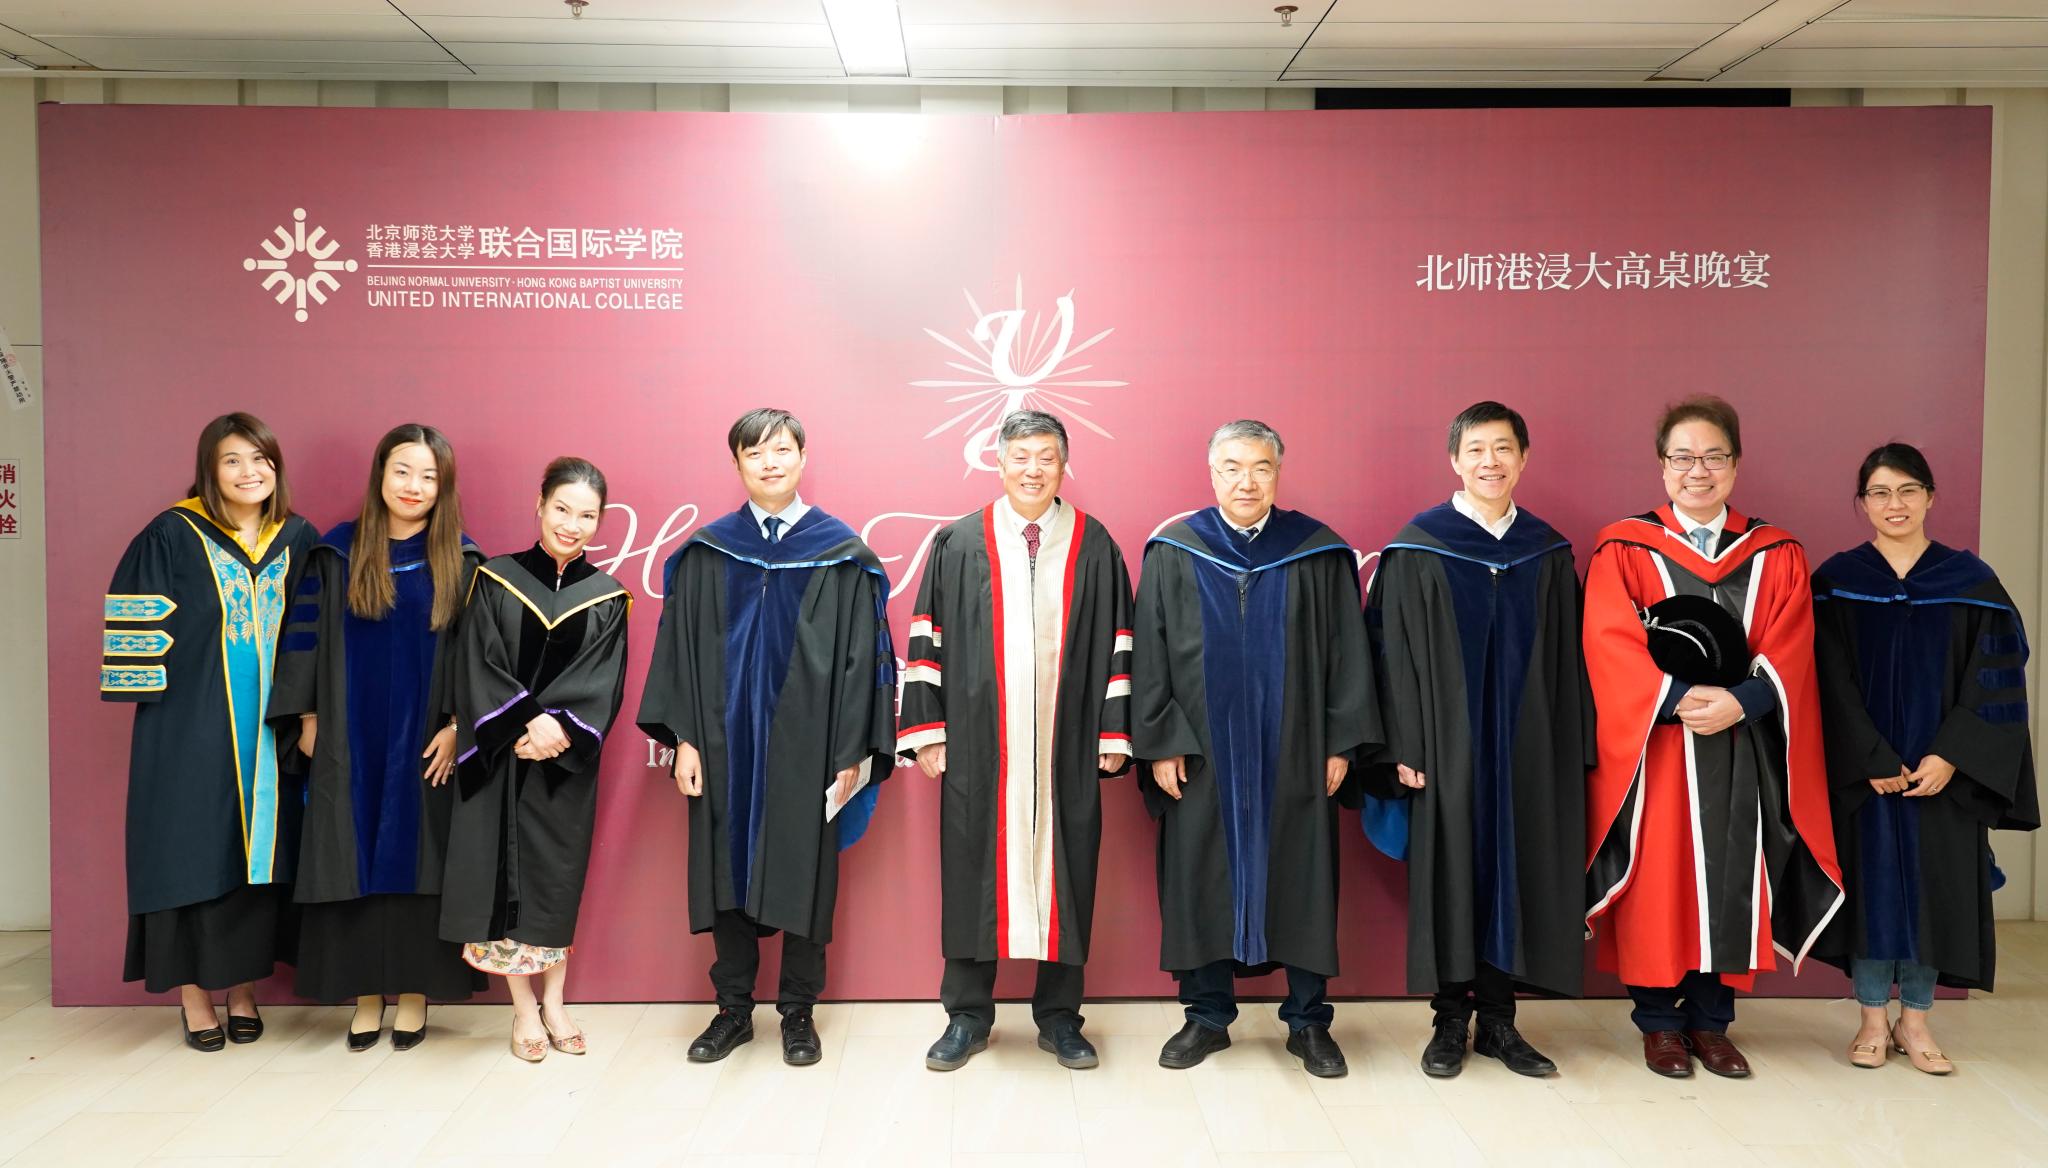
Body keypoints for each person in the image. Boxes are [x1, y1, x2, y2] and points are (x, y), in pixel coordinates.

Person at [1582, 395, 1843, 1079]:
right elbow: (1607, 641)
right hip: (1659, 746)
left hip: (1739, 743)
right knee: (1657, 877)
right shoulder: (1624, 547)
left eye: (1713, 457)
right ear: (1662, 466)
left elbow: (1792, 643)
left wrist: (1743, 700)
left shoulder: (1777, 552)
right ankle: (1659, 1025)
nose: (1698, 470)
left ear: (1736, 464)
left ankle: (1711, 1022)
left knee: (1732, 874)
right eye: (1683, 457)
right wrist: (1673, 698)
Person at [638, 408, 897, 1067]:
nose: (770, 462)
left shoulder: (841, 555)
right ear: (737, 465)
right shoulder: (708, 553)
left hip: (812, 750)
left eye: (781, 450)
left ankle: (798, 1012)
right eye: (755, 453)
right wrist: (685, 739)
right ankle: (732, 1009)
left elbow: (864, 661)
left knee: (806, 871)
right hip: (722, 747)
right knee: (725, 869)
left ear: (803, 457)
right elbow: (680, 654)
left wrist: (852, 750)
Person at [1132, 419, 1381, 1079]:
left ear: (1278, 473)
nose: (1247, 481)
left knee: (1303, 874)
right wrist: (1160, 740)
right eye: (1233, 467)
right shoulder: (1175, 550)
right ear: (1212, 473)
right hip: (1200, 751)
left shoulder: (1317, 552)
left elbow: (1347, 654)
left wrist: (1339, 741)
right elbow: (1151, 650)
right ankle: (1207, 1017)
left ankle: (1308, 1021)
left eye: (1261, 467)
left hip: (1296, 749)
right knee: (1199, 875)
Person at [898, 410, 1134, 1072]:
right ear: (998, 463)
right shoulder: (958, 542)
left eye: (1047, 457)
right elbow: (926, 636)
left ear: (1064, 465)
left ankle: (1060, 1017)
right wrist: (928, 730)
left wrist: (1114, 731)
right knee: (971, 867)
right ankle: (967, 1016)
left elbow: (1121, 640)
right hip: (979, 745)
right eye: (1021, 457)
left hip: (1067, 743)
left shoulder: (1093, 543)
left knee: (1069, 871)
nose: (1033, 469)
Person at [1364, 401, 1591, 1079]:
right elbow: (1388, 654)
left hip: (1527, 749)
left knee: (1514, 873)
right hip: (1444, 749)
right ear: (1454, 461)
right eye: (1476, 450)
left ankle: (1498, 1022)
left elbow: (1570, 661)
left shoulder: (1547, 552)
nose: (1490, 462)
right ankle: (1448, 1020)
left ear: (1523, 458)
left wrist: (1568, 748)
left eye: (1503, 449)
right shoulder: (1417, 548)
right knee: (1452, 873)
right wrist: (1403, 745)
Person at [1811, 443, 2038, 1074]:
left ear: (1930, 497)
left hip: (1944, 778)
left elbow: (1996, 677)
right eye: (1880, 493)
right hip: (1868, 776)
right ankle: (1870, 1021)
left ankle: (1915, 1022)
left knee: (1934, 893)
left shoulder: (1970, 582)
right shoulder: (1837, 582)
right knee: (1871, 892)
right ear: (1862, 503)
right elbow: (1824, 678)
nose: (1895, 504)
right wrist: (1869, 755)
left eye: (1908, 490)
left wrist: (1952, 756)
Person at [103, 412, 317, 1051]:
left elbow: (316, 635)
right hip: (189, 732)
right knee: (191, 853)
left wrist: (311, 713)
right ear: (209, 469)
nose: (249, 472)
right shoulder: (172, 533)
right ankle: (195, 998)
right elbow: (134, 642)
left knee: (255, 863)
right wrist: (168, 721)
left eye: (260, 459)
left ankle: (242, 989)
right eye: (232, 460)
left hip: (271, 736)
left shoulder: (297, 538)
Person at [269, 424, 485, 1051]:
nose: (414, 486)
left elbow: (477, 654)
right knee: (351, 853)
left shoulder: (462, 561)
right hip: (349, 734)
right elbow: (303, 638)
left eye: (429, 476)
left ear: (443, 487)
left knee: (420, 857)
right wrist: (309, 719)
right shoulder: (336, 553)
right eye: (402, 471)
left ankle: (414, 995)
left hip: (426, 737)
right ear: (380, 475)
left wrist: (457, 726)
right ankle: (365, 995)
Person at [440, 457, 631, 1063]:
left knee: (554, 877)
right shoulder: (494, 579)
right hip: (500, 754)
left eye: (587, 516)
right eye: (562, 509)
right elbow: (477, 660)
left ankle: (555, 1001)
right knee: (498, 876)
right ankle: (523, 1009)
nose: (571, 525)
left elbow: (603, 680)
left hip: (560, 763)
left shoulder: (608, 598)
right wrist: (526, 720)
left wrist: (559, 729)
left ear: (600, 522)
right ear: (540, 505)